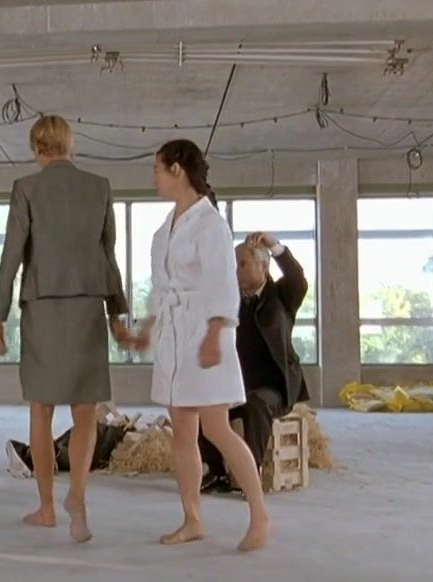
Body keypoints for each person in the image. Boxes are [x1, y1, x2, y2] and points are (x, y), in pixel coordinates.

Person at [123, 139, 270, 552]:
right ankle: (192, 519)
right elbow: (160, 290)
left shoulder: (211, 225)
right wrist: (147, 330)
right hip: (174, 336)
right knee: (183, 433)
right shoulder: (163, 231)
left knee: (217, 428)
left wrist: (214, 332)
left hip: (206, 333)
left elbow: (223, 283)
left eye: (157, 169)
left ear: (177, 170)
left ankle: (260, 515)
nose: (153, 178)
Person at [0, 114, 131, 543]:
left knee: (42, 410)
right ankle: (79, 497)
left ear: (37, 148)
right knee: (86, 410)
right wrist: (117, 311)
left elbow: (12, 256)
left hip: (44, 308)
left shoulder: (27, 189)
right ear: (71, 145)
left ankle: (47, 508)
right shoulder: (99, 187)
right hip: (88, 306)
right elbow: (108, 255)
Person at [198, 231, 310, 494]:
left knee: (256, 404)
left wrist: (274, 245)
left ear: (263, 267)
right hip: (237, 384)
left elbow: (298, 279)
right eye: (234, 264)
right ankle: (216, 471)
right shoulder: (230, 301)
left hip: (274, 387)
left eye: (243, 264)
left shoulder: (282, 295)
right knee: (205, 405)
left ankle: (250, 473)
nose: (236, 270)